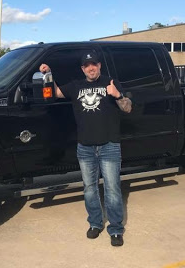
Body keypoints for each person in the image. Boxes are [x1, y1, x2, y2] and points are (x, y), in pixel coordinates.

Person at [39, 51, 132, 247]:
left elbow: (128, 108)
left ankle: (115, 229)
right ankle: (95, 224)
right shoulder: (75, 86)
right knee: (89, 189)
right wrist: (48, 74)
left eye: (94, 64)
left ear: (99, 65)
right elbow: (55, 93)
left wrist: (118, 95)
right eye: (87, 65)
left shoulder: (110, 82)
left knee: (112, 189)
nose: (91, 68)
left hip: (109, 145)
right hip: (85, 148)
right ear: (83, 69)